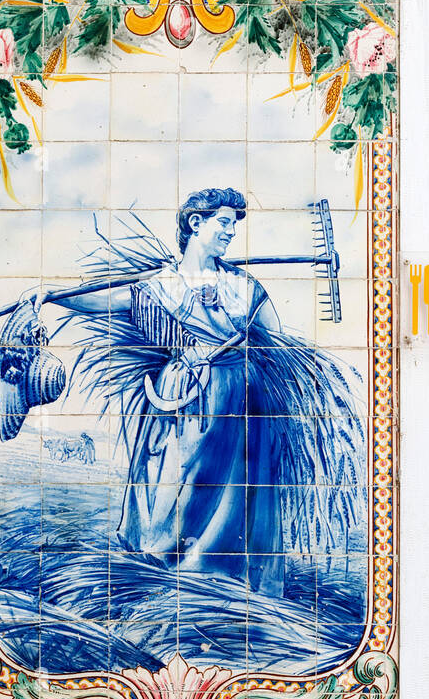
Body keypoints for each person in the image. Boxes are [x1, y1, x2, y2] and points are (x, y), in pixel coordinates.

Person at [48, 187, 364, 599]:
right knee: (170, 481)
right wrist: (51, 293)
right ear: (195, 223)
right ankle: (161, 567)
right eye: (224, 222)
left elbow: (277, 337)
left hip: (239, 399)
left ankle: (222, 580)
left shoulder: (242, 285)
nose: (232, 232)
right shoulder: (161, 284)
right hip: (179, 396)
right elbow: (107, 300)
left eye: (234, 224)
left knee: (236, 493)